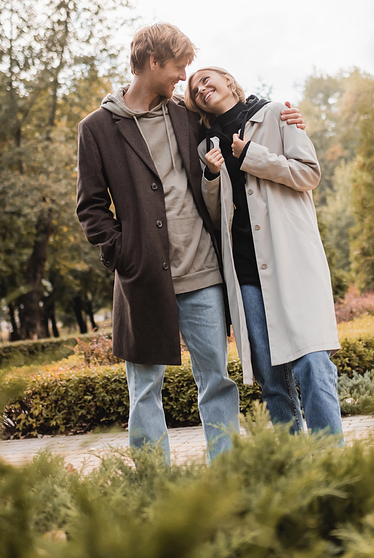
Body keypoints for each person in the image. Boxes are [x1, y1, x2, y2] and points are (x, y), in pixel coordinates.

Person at [76, 23, 305, 462]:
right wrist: (122, 255)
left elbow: (237, 117)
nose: (183, 76)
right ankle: (151, 482)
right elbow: (90, 207)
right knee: (144, 389)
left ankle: (227, 473)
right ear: (153, 61)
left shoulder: (185, 115)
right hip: (142, 279)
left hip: (203, 274)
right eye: (178, 67)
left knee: (216, 380)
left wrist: (286, 118)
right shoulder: (98, 129)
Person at [185, 66, 343, 437]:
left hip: (291, 260)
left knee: (312, 363)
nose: (201, 87)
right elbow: (213, 213)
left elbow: (308, 174)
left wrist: (252, 155)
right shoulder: (206, 146)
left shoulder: (275, 113)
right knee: (271, 378)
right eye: (194, 87)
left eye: (207, 79)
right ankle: (291, 466)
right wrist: (210, 176)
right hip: (244, 271)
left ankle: (331, 463)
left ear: (228, 81)